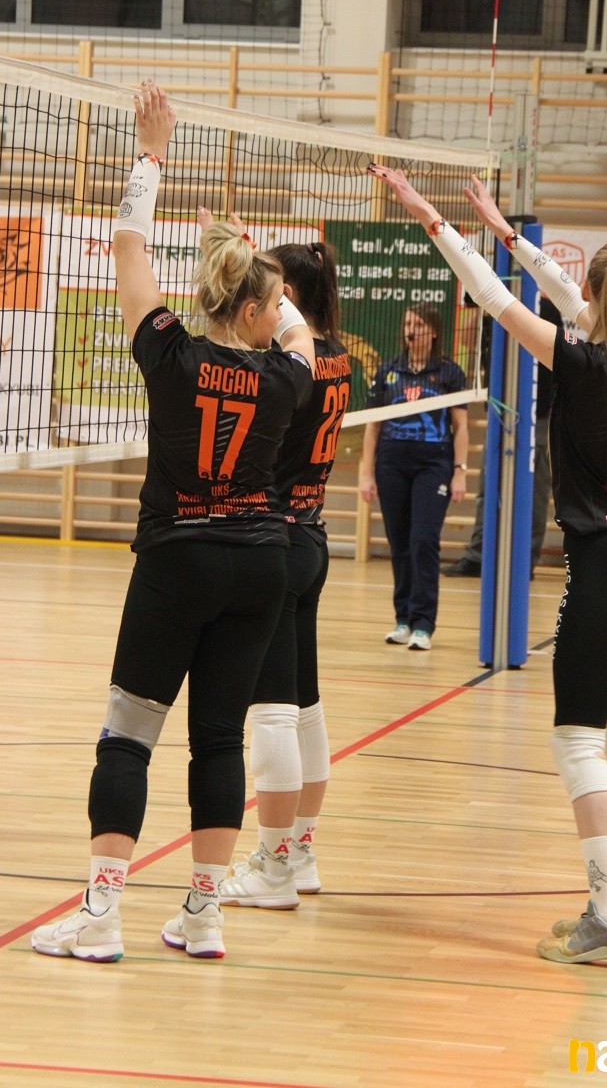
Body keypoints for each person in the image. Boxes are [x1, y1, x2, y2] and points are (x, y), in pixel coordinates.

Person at [31, 83, 315, 964]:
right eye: (269, 299)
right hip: (260, 561)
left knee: (129, 732)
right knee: (219, 738)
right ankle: (203, 913)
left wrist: (150, 154)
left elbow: (128, 244)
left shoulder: (170, 352)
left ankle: (101, 914)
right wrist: (259, 269)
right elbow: (299, 332)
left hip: (177, 560)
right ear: (256, 308)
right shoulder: (285, 377)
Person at [369, 161, 607, 965]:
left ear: (595, 294)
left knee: (578, 740)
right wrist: (506, 231)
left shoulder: (581, 360)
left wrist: (431, 216)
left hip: (605, 563)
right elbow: (564, 291)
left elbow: (492, 295)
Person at [218, 237, 350, 909]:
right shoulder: (339, 355)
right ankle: (299, 850)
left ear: (287, 298)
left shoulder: (284, 365)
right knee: (305, 704)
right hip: (313, 536)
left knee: (272, 709)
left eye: (272, 295)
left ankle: (271, 867)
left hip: (275, 540)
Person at [359, 304, 468, 650]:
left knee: (423, 540)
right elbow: (373, 426)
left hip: (433, 465)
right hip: (391, 464)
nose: (411, 329)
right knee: (400, 543)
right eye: (408, 323)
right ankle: (403, 619)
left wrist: (460, 471)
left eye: (418, 324)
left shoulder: (449, 373)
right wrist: (366, 473)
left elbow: (461, 426)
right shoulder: (389, 370)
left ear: (433, 331)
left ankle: (423, 623)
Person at [444, 296, 559, 579]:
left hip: (537, 413)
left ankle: (524, 560)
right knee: (489, 486)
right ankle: (478, 556)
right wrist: (479, 304)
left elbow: (552, 353)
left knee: (534, 492)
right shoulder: (493, 305)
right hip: (500, 413)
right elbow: (468, 340)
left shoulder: (544, 308)